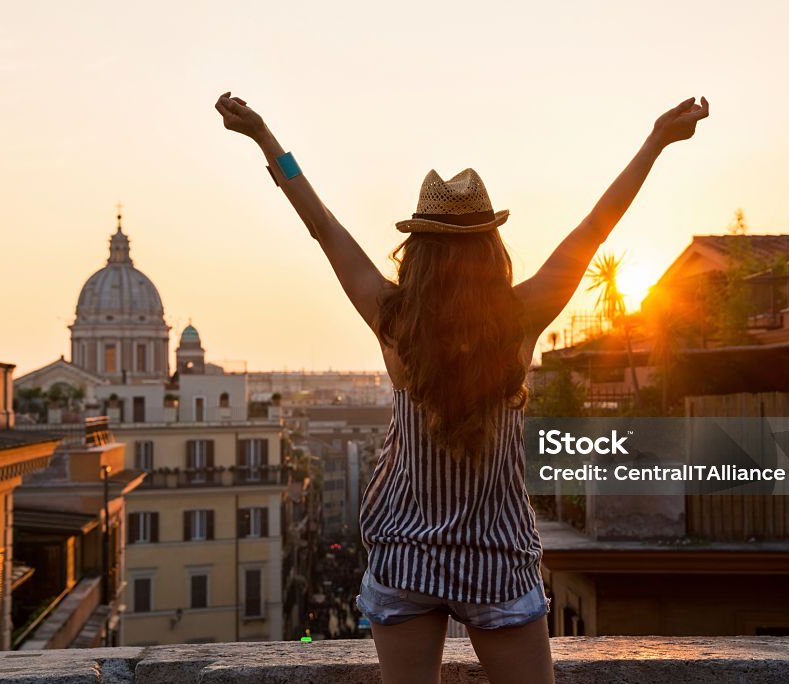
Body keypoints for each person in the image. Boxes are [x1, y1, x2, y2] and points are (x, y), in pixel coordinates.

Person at [215, 91, 708, 683]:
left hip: (404, 557)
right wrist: (655, 142)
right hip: (496, 558)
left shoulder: (392, 319)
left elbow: (321, 225)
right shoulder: (519, 320)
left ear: (417, 249)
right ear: (489, 248)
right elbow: (596, 228)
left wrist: (267, 140)